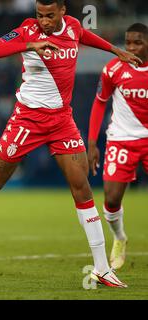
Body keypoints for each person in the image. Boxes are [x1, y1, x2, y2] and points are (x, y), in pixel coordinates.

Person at [0, 0, 142, 288]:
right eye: (39, 15)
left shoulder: (72, 27)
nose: (43, 21)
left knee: (81, 184)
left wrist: (114, 49)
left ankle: (101, 268)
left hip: (61, 121)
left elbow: (86, 36)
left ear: (62, 12)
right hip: (27, 120)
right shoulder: (27, 31)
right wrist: (29, 45)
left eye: (49, 15)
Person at [87, 23, 148, 270]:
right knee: (111, 200)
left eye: (138, 42)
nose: (131, 47)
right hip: (121, 138)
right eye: (128, 42)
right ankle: (120, 238)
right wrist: (91, 143)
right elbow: (100, 102)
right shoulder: (112, 69)